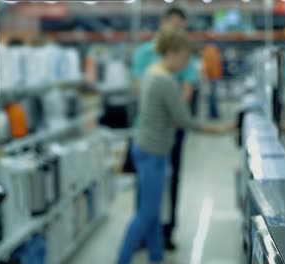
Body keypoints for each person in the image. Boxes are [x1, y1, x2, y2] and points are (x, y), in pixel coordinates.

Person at [117, 26, 233, 264]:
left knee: (153, 214)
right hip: (154, 153)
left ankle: (156, 257)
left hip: (144, 148)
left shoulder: (151, 72)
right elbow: (185, 121)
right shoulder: (165, 81)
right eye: (186, 57)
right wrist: (222, 129)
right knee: (146, 215)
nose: (187, 64)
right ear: (174, 52)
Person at [130, 6, 197, 250]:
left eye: (181, 27)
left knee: (172, 180)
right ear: (162, 23)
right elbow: (140, 90)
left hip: (173, 128)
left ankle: (166, 233)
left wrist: (174, 111)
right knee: (146, 183)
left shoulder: (184, 55)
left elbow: (187, 91)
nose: (177, 31)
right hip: (148, 128)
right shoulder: (144, 53)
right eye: (173, 25)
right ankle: (142, 235)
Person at [201, 44, 223, 119]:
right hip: (215, 77)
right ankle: (214, 113)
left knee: (211, 97)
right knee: (213, 96)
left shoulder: (207, 52)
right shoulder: (215, 52)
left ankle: (213, 114)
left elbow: (207, 66)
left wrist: (205, 76)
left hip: (211, 77)